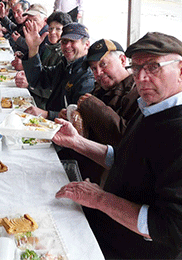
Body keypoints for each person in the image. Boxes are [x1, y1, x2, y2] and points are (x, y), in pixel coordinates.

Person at [54, 32, 182, 259]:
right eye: (136, 69)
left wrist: (99, 199)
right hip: (107, 224)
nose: (141, 78)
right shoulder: (150, 106)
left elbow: (173, 228)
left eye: (153, 67)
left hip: (132, 250)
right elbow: (125, 158)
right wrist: (77, 142)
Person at [58, 38, 140, 183]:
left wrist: (92, 106)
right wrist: (72, 119)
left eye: (103, 65)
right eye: (93, 69)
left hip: (108, 179)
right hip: (83, 165)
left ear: (122, 61)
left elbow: (124, 140)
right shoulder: (99, 89)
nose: (99, 73)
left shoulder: (137, 93)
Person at [20, 22, 95, 121]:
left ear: (86, 44)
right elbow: (38, 79)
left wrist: (47, 114)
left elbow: (79, 119)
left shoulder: (87, 77)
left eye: (72, 41)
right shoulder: (65, 65)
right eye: (64, 41)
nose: (67, 46)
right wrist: (33, 49)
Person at [14, 11, 72, 109]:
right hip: (34, 98)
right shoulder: (49, 48)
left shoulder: (65, 56)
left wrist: (30, 85)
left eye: (58, 29)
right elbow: (41, 72)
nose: (53, 32)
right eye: (51, 28)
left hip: (44, 106)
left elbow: (55, 91)